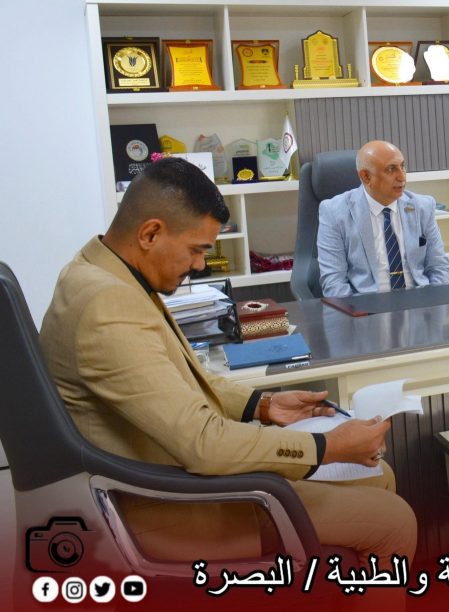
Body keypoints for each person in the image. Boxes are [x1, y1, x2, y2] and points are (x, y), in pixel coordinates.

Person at [39, 157, 417, 565]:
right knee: (394, 522)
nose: (200, 265)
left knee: (379, 476)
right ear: (150, 233)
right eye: (196, 250)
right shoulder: (108, 304)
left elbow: (184, 377)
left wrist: (264, 405)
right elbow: (205, 444)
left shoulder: (102, 272)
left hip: (170, 476)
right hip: (167, 508)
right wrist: (326, 446)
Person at [317, 140, 449, 297]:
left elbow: (438, 267)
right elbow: (334, 283)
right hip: (367, 305)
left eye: (402, 166)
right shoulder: (334, 212)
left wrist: (434, 302)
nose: (402, 177)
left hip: (420, 301)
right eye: (391, 169)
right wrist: (358, 311)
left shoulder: (423, 207)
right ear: (366, 176)